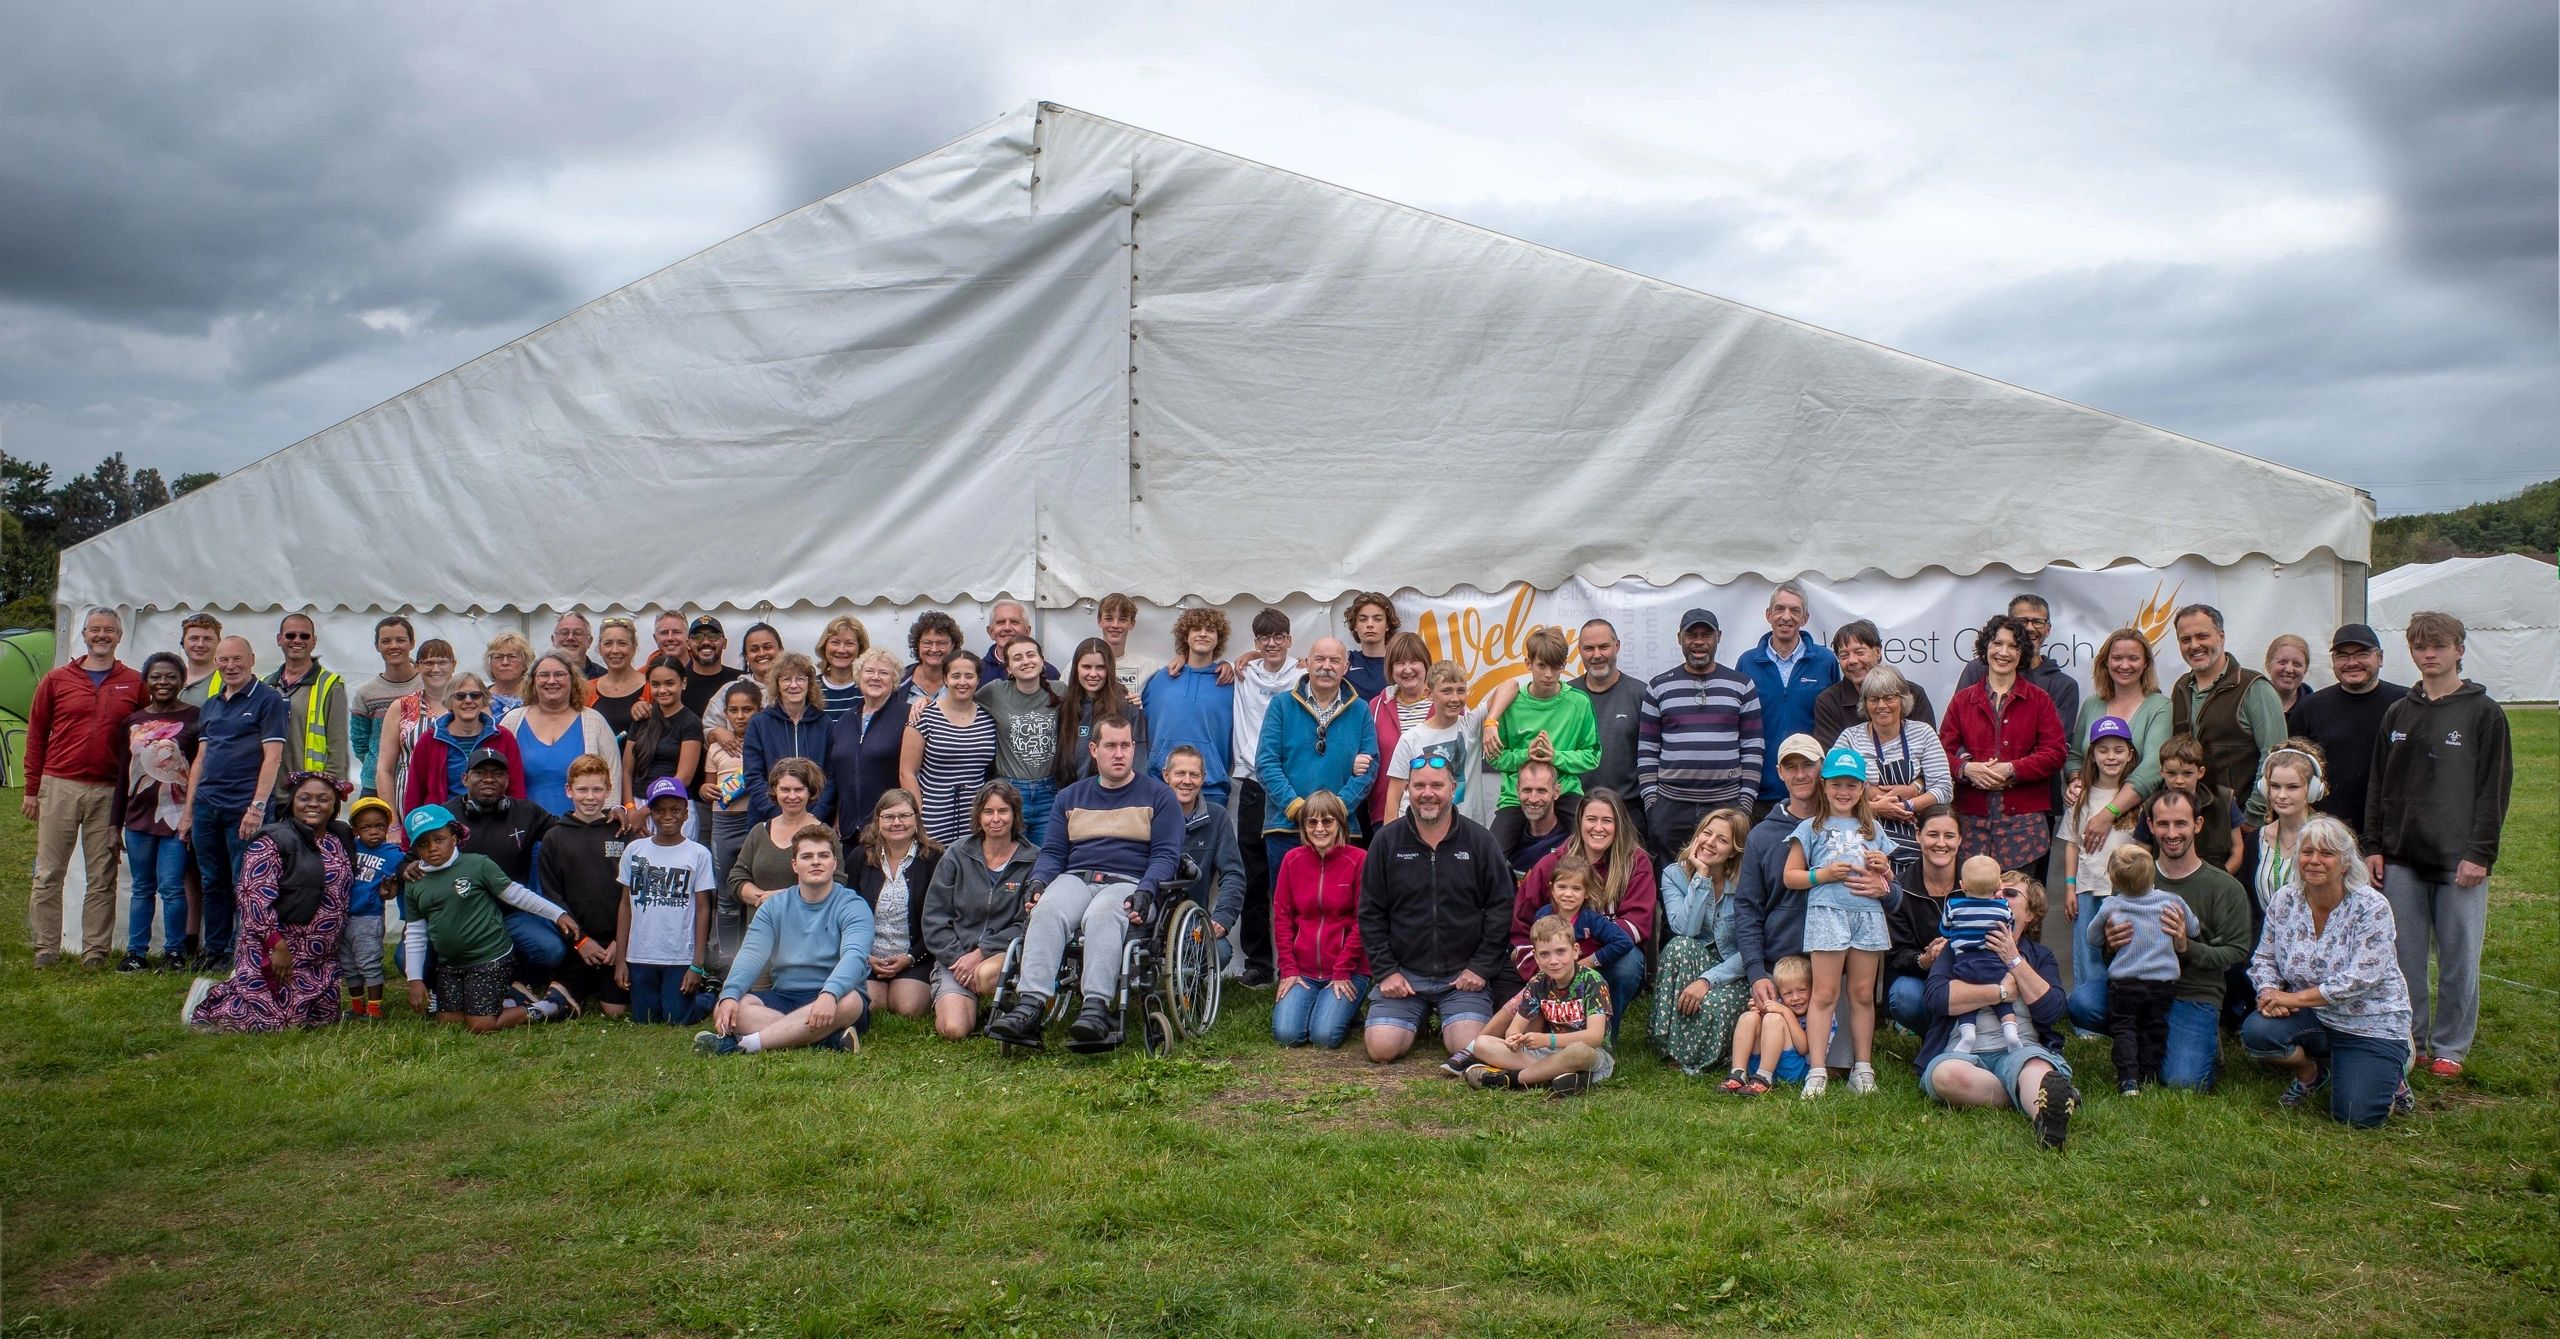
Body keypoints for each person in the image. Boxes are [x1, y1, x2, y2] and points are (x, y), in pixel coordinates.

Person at [2365, 611, 2513, 1080]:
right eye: (2420, 647)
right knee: (2404, 954)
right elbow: (2378, 783)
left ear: (2459, 650)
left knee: (2457, 955)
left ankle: (2450, 1045)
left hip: (2458, 858)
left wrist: (2480, 853)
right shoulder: (2398, 712)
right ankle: (2414, 1037)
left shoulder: (2483, 713)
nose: (2429, 655)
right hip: (2402, 852)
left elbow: (2494, 788)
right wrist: (2374, 845)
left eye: (2439, 646)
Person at [985, 715, 1186, 1048]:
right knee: (1047, 909)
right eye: (1110, 746)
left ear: (1134, 748)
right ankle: (1030, 1006)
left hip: (1129, 881)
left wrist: (1146, 892)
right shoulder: (1069, 797)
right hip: (1076, 877)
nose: (1119, 753)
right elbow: (1051, 853)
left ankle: (1095, 1008)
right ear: (1094, 750)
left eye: (1125, 745)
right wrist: (1038, 882)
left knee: (1103, 914)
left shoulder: (1159, 796)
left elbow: (1165, 856)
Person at [2065, 789, 2252, 1090]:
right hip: (2134, 985)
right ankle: (2145, 1035)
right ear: (2150, 826)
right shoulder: (2132, 876)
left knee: (2183, 1082)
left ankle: (2197, 1039)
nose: (2172, 833)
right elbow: (2107, 953)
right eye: (2163, 824)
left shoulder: (2224, 887)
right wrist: (2112, 943)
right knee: (2082, 1003)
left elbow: (2236, 952)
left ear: (2198, 824)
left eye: (2181, 823)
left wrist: (2185, 946)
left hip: (2193, 991)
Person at [1735, 734, 1894, 1079]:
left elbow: (1892, 892)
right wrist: (1756, 971)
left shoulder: (1866, 828)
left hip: (1845, 962)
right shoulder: (1764, 835)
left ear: (1821, 770)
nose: (1800, 774)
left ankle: (1842, 1066)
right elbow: (1746, 908)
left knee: (1838, 1066)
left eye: (1807, 764)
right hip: (1787, 966)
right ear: (1779, 772)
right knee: (1777, 1051)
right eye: (1791, 766)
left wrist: (1884, 889)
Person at [2242, 817, 2416, 1126]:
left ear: (2345, 863)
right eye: (2307, 852)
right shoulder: (2285, 901)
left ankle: (2394, 1070)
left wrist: (2292, 1000)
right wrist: (2268, 991)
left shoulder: (2372, 907)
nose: (2314, 861)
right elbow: (2264, 957)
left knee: (2357, 1117)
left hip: (2369, 1021)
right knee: (2257, 1032)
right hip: (2315, 1017)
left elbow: (2359, 979)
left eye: (2327, 853)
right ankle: (2312, 1074)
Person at [1356, 762, 1512, 1067]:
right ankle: (1417, 1013)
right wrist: (1386, 971)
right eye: (1419, 786)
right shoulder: (1386, 842)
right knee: (1381, 1049)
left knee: (1466, 1047)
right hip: (1404, 975)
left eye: (1437, 786)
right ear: (1408, 790)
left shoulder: (1480, 841)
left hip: (1461, 977)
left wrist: (1480, 968)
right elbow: (1370, 912)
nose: (1428, 794)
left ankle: (1447, 1017)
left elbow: (1501, 906)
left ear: (1453, 789)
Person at [1917, 871, 2080, 1149]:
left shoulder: (2040, 957)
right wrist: (2001, 992)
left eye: (2010, 894)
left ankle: (2045, 1119)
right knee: (1946, 1077)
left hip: (2020, 1049)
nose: (1998, 896)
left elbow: (2052, 1010)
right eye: (1995, 891)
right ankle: (2029, 1094)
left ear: (2030, 915)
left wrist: (2013, 959)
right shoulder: (1957, 947)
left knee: (2035, 1067)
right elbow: (1936, 998)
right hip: (1963, 1052)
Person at [22, 607, 146, 968]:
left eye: (109, 630)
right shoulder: (57, 679)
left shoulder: (134, 682)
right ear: (85, 635)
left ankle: (95, 951)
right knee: (48, 873)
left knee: (103, 875)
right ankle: (46, 948)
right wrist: (32, 789)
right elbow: (36, 735)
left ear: (120, 636)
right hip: (60, 784)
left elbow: (146, 736)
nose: (102, 635)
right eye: (95, 629)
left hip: (109, 790)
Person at [184, 771, 354, 1031]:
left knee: (322, 1021)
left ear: (334, 806)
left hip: (321, 957)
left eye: (323, 799)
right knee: (269, 1024)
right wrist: (276, 943)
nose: (313, 804)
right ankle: (210, 996)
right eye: (304, 797)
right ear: (292, 802)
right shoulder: (272, 839)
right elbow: (252, 896)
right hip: (277, 946)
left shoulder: (340, 837)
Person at [394, 804, 584, 1031]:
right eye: (424, 844)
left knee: (480, 1025)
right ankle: (513, 996)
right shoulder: (416, 882)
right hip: (450, 964)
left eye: (439, 839)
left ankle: (550, 1006)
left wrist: (557, 913)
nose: (432, 848)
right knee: (448, 1022)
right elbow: (415, 933)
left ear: (454, 837)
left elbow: (517, 895)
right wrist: (415, 980)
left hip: (489, 959)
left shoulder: (478, 864)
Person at [1256, 637, 1379, 972]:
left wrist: (1337, 811)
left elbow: (1370, 766)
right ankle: (1290, 976)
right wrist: (1297, 808)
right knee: (1289, 909)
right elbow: (1266, 763)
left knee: (1342, 909)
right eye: (1320, 659)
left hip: (1344, 829)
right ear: (1306, 663)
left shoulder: (1360, 710)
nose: (1327, 666)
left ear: (1345, 666)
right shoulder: (1281, 705)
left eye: (1335, 660)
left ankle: (1343, 975)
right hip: (1285, 824)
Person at [697, 827, 876, 1055]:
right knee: (737, 1008)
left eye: (823, 856)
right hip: (785, 995)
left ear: (834, 863)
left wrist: (830, 993)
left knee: (851, 1002)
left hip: (836, 995)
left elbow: (855, 956)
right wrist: (729, 994)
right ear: (794, 865)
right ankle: (826, 1039)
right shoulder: (774, 906)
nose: (816, 862)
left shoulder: (853, 905)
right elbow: (752, 953)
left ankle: (744, 1045)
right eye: (807, 856)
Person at [1780, 747, 1895, 1097]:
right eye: (1836, 784)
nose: (1843, 792)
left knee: (1862, 993)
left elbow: (1889, 879)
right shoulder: (1810, 827)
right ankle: (1817, 1069)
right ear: (1824, 786)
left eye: (1851, 785)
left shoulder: (1872, 828)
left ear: (1862, 788)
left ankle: (1863, 1066)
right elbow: (1790, 876)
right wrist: (1824, 874)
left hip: (1867, 915)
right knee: (1825, 993)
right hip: (1827, 913)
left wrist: (1882, 868)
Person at [180, 636, 292, 975]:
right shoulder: (211, 705)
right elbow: (200, 759)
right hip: (206, 806)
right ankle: (214, 948)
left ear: (252, 659)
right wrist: (188, 810)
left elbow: (273, 757)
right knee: (211, 879)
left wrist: (257, 807)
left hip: (244, 807)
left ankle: (242, 949)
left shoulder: (269, 700)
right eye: (223, 660)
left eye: (237, 659)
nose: (230, 666)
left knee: (245, 882)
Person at [1511, 788, 1655, 1038]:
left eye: (1607, 820)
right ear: (1580, 822)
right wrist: (1541, 963)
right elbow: (1523, 922)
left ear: (1618, 824)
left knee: (1627, 965)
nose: (1598, 828)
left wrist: (1586, 959)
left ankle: (1603, 1038)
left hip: (1606, 957)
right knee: (1517, 1005)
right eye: (1591, 819)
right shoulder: (1555, 861)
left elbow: (1636, 925)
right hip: (1556, 957)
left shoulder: (1636, 862)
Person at [1940, 614, 2065, 872]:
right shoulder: (1962, 700)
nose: (2003, 652)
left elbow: (2055, 752)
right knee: (1973, 907)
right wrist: (1967, 769)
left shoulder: (2039, 700)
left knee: (2018, 906)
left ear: (2022, 654)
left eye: (2013, 646)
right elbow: (1943, 750)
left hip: (2024, 830)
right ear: (1986, 648)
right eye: (1997, 643)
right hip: (1970, 826)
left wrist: (2013, 769)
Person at [1638, 607, 1763, 859]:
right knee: (1668, 878)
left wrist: (1745, 803)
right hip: (1670, 807)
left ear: (1719, 637)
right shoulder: (1659, 686)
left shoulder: (1741, 685)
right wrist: (1652, 802)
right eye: (1691, 634)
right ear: (1679, 638)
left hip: (1726, 805)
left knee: (1723, 878)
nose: (1698, 642)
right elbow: (1647, 749)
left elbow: (1753, 747)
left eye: (1706, 635)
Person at [921, 782, 1037, 1040]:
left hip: (1002, 953)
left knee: (985, 975)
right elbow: (934, 917)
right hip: (956, 958)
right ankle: (965, 1000)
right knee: (954, 1029)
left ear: (1015, 814)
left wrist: (983, 952)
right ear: (978, 816)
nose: (996, 819)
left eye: (1003, 811)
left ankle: (1005, 1000)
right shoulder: (956, 854)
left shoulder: (1033, 860)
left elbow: (1028, 922)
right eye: (988, 812)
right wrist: (958, 958)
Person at [1227, 608, 1302, 984]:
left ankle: (1301, 960)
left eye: (1278, 637)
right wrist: (1245, 658)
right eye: (1263, 639)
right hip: (1254, 788)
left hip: (1291, 788)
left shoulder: (1303, 675)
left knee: (1295, 878)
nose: (1271, 644)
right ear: (1254, 643)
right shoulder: (1244, 674)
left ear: (1289, 639)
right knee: (1253, 877)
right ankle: (1258, 963)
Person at [112, 652, 198, 971]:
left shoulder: (195, 718)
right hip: (137, 819)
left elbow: (200, 769)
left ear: (182, 680)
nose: (163, 682)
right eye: (156, 677)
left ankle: (174, 952)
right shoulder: (132, 722)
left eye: (171, 676)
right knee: (142, 887)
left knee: (172, 886)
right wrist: (114, 823)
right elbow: (124, 775)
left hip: (177, 818)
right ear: (146, 681)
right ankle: (136, 952)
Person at [2087, 844, 2197, 1096]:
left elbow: (2093, 938)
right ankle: (2149, 1073)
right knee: (2154, 1027)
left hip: (2124, 984)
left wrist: (2107, 931)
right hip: (2162, 983)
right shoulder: (2171, 901)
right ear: (2152, 874)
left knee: (2123, 1027)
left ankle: (2128, 1079)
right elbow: (2193, 929)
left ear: (2114, 878)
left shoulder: (2111, 906)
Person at [1464, 913, 1613, 1097]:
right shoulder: (1538, 982)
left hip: (1591, 1054)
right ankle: (1558, 1077)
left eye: (1560, 951)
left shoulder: (1593, 981)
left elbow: (1594, 1037)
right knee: (1482, 1044)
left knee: (1578, 1051)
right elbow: (1514, 1028)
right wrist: (1514, 1039)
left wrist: (1547, 1040)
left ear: (1575, 950)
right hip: (1548, 1053)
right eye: (1545, 954)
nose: (1553, 961)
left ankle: (1513, 1079)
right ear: (1535, 957)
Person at [2166, 603, 2289, 827]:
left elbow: (2275, 759)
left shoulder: (2254, 688)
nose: (2194, 645)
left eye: (2202, 636)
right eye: (2185, 639)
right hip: (2192, 823)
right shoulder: (2181, 687)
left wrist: (2251, 819)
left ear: (2221, 637)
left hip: (2241, 825)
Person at [1657, 808, 1754, 1080]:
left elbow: (1750, 947)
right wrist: (1701, 876)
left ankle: (1698, 1057)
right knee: (1679, 946)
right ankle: (1669, 1046)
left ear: (1734, 851)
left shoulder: (1747, 882)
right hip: (1693, 960)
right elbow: (1684, 929)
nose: (1710, 842)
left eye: (1722, 840)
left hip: (1734, 970)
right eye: (1706, 833)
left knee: (1714, 1005)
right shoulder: (1674, 874)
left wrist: (1707, 980)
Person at [1483, 626, 1599, 850]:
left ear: (1564, 665)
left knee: (1593, 847)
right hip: (1516, 796)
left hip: (1564, 792)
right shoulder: (1512, 703)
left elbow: (1592, 755)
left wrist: (1555, 757)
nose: (1548, 674)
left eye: (1556, 667)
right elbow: (1495, 759)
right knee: (1493, 855)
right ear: (1528, 664)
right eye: (1542, 665)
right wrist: (1525, 756)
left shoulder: (1579, 702)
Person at [1269, 790, 1369, 1048]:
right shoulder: (1292, 860)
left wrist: (1342, 971)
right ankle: (1325, 1006)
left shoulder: (1359, 860)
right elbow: (1282, 918)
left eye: (1327, 821)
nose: (1319, 828)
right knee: (1287, 1035)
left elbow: (1363, 921)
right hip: (1304, 971)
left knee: (1324, 1037)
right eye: (1311, 822)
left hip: (1347, 971)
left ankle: (1344, 1008)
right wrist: (1289, 969)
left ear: (1340, 823)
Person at [614, 778, 719, 1024]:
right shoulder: (635, 851)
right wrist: (621, 959)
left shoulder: (698, 854)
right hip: (640, 954)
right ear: (650, 812)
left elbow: (704, 909)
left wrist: (697, 965)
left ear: (686, 813)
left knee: (677, 1019)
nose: (667, 816)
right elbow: (625, 905)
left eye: (675, 810)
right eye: (659, 810)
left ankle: (709, 995)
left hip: (679, 956)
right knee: (646, 1019)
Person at [2062, 628, 2171, 856]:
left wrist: (2108, 813)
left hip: (2136, 823)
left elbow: (2153, 768)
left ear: (2145, 664)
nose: (2124, 665)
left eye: (2133, 658)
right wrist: (2076, 781)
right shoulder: (2092, 704)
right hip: (2089, 819)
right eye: (2117, 658)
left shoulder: (2160, 706)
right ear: (2105, 661)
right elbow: (2075, 757)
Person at [721, 757, 841, 965]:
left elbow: (838, 883)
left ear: (810, 791)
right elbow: (736, 879)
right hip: (760, 942)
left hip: (808, 945)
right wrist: (761, 898)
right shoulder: (759, 832)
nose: (792, 796)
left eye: (799, 789)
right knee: (756, 997)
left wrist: (783, 899)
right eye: (785, 789)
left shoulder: (825, 834)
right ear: (775, 791)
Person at [1830, 665, 1950, 871]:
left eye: (1889, 698)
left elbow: (1944, 789)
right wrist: (1874, 807)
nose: (1881, 705)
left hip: (1916, 838)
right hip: (1864, 839)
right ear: (1865, 704)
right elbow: (1832, 791)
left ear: (1902, 700)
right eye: (1874, 699)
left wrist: (1908, 806)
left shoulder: (1923, 733)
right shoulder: (1850, 738)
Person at [1953, 595, 2081, 787]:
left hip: (2033, 798)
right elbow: (1953, 736)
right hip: (1973, 794)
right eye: (2022, 621)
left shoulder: (2064, 686)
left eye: (2038, 621)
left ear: (2048, 628)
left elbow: (2054, 749)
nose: (2030, 628)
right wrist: (1972, 769)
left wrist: (2011, 771)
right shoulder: (1977, 670)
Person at [2287, 622, 2407, 826]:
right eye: (2342, 655)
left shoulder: (2405, 704)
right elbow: (2293, 772)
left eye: (2362, 654)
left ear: (2381, 658)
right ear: (2333, 661)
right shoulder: (2310, 708)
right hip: (2326, 832)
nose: (2352, 662)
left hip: (2392, 832)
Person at [536, 757, 630, 1017]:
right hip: (578, 941)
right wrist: (580, 942)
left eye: (597, 790)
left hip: (617, 941)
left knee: (615, 1011)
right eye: (582, 790)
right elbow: (552, 897)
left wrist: (619, 943)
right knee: (557, 1003)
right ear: (569, 790)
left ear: (608, 790)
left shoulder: (620, 831)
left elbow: (633, 892)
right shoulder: (554, 837)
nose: (590, 797)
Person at [2060, 716, 2144, 1000]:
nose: (2111, 756)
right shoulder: (2080, 795)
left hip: (2126, 892)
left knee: (2125, 948)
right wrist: (2070, 886)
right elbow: (2072, 844)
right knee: (2089, 951)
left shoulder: (2135, 797)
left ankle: (2120, 1008)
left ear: (2130, 754)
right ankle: (2088, 1016)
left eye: (2118, 750)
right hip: (2088, 887)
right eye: (2103, 749)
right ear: (2092, 755)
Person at [1738, 583, 1841, 811]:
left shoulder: (1825, 661)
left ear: (1805, 618)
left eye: (1795, 611)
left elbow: (1836, 721)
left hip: (1812, 789)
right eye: (1779, 609)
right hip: (1760, 789)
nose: (1786, 617)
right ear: (1768, 615)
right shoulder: (1747, 662)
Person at [850, 788, 942, 1021]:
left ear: (916, 819)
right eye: (889, 817)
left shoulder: (935, 858)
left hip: (916, 955)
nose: (897, 823)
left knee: (908, 1008)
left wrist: (911, 957)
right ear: (878, 821)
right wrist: (864, 956)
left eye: (904, 816)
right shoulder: (860, 857)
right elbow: (845, 911)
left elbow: (940, 918)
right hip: (869, 957)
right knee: (871, 1005)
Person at [502, 652, 621, 817]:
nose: (551, 681)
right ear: (532, 681)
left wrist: (610, 812)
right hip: (526, 831)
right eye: (544, 675)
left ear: (572, 680)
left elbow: (612, 773)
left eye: (559, 674)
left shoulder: (594, 721)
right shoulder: (512, 721)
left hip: (582, 830)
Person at [901, 649, 997, 847]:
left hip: (977, 818)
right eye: (955, 676)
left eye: (969, 676)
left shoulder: (989, 717)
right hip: (933, 818)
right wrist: (918, 817)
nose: (962, 682)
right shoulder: (924, 716)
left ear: (978, 680)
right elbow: (907, 773)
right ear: (945, 679)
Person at [818, 646, 914, 843]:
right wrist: (838, 813)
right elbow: (837, 774)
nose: (875, 677)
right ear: (858, 676)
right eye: (869, 671)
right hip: (848, 830)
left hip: (890, 828)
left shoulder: (908, 715)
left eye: (884, 673)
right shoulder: (845, 721)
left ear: (894, 680)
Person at [1143, 609, 1237, 807]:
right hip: (1161, 786)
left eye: (1210, 630)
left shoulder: (1231, 683)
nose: (1203, 633)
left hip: (1212, 788)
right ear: (1185, 636)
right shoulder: (1160, 679)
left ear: (1218, 638)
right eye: (1196, 629)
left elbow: (1264, 667)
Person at [399, 673, 523, 816]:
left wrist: (517, 825)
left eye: (475, 695)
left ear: (484, 700)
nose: (468, 700)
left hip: (494, 822)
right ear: (449, 701)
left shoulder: (503, 737)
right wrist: (410, 834)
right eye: (460, 696)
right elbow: (415, 792)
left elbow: (516, 787)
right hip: (442, 826)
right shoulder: (429, 739)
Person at [1883, 811, 1962, 1034]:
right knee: (1903, 994)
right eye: (1933, 834)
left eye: (1949, 836)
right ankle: (1938, 1037)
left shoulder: (1977, 883)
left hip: (1971, 976)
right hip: (1924, 980)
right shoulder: (1900, 889)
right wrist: (1925, 959)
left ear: (1960, 840)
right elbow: (1896, 954)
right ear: (1918, 835)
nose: (1941, 843)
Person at [980, 636, 1064, 845]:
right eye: (1017, 658)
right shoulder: (995, 691)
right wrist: (925, 702)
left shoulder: (1060, 690)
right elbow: (959, 701)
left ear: (1042, 661)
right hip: (1009, 792)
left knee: (1045, 857)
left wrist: (1128, 697)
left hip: (1049, 793)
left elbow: (1094, 699)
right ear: (1008, 668)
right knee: (1011, 860)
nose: (1025, 661)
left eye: (1031, 655)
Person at [1568, 619, 1649, 835]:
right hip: (1577, 810)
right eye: (1588, 648)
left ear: (1617, 646)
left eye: (1603, 646)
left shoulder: (1642, 694)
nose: (1596, 655)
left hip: (1628, 813)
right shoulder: (1566, 696)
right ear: (1579, 651)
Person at [1940, 856, 2027, 1052]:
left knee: (1969, 1001)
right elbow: (2009, 930)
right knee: (2002, 1002)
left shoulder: (1953, 905)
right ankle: (2011, 1032)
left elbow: (1945, 929)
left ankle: (1968, 1033)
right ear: (1998, 886)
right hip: (1993, 962)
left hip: (1964, 964)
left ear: (1962, 885)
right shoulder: (2003, 908)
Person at [1164, 746, 1246, 951]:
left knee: (1221, 951)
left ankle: (1192, 979)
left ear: (1204, 778)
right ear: (1166, 776)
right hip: (1152, 915)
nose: (1187, 781)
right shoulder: (1150, 814)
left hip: (1192, 919)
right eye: (1180, 773)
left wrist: (1222, 918)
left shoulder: (1217, 817)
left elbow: (1233, 874)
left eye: (1194, 774)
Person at [1379, 660, 1482, 819]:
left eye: (1461, 691)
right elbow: (1393, 799)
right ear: (1429, 694)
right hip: (1416, 830)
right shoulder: (1411, 739)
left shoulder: (1472, 726)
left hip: (1466, 829)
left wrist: (1490, 723)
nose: (1455, 698)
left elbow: (1511, 686)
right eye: (1446, 691)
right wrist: (1390, 841)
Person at [264, 613, 350, 801]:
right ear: (279, 639)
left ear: (314, 641)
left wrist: (328, 791)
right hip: (269, 792)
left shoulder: (330, 684)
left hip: (309, 796)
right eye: (290, 635)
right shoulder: (265, 685)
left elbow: (338, 744)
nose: (297, 640)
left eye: (304, 636)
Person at [1811, 619, 1936, 746]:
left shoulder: (1912, 693)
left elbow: (1928, 746)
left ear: (1877, 652)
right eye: (1844, 656)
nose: (1852, 661)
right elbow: (1832, 758)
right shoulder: (1828, 702)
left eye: (1860, 652)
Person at [2138, 735, 2243, 876]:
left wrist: (2221, 882)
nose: (2179, 781)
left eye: (2187, 773)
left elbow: (2237, 849)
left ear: (2200, 772)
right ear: (2161, 771)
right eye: (2171, 773)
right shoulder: (2151, 805)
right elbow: (2142, 853)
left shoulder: (2225, 800)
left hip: (2216, 882)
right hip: (2166, 887)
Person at [372, 638, 456, 808]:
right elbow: (384, 770)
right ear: (417, 666)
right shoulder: (401, 707)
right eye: (429, 663)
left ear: (454, 665)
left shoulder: (467, 705)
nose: (436, 668)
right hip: (411, 805)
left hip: (457, 803)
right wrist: (392, 824)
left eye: (442, 662)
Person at [1362, 631, 1432, 833]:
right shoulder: (1375, 707)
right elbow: (1364, 752)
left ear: (1426, 664)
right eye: (1400, 663)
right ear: (1390, 668)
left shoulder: (1445, 704)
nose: (1408, 669)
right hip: (1386, 812)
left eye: (1415, 661)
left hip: (1437, 811)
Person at [340, 795, 401, 1016]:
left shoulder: (393, 854)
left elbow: (402, 878)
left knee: (368, 962)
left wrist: (389, 891)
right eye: (366, 827)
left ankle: (374, 1009)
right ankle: (357, 1006)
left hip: (369, 916)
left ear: (387, 827)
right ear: (355, 830)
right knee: (348, 963)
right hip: (343, 916)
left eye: (379, 826)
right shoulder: (349, 848)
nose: (373, 831)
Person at [1054, 639, 1148, 783]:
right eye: (1086, 667)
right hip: (1073, 800)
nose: (1093, 673)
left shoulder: (1128, 706)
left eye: (1100, 667)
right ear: (1075, 668)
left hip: (1116, 799)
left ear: (1109, 669)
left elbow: (1139, 763)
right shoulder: (1065, 707)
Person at [622, 657, 702, 825]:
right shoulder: (642, 717)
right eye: (656, 684)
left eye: (670, 683)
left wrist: (646, 811)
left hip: (672, 808)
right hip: (637, 805)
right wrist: (630, 809)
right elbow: (627, 770)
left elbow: (683, 778)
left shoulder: (690, 722)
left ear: (683, 683)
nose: (662, 690)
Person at [350, 615, 421, 796]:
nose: (393, 646)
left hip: (419, 781)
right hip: (375, 785)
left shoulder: (428, 687)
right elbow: (360, 742)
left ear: (412, 643)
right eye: (386, 641)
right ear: (377, 646)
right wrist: (376, 763)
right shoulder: (366, 693)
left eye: (400, 640)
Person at [701, 681, 762, 890]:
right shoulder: (716, 748)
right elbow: (708, 788)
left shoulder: (766, 744)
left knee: (756, 884)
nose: (740, 716)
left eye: (747, 710)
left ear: (759, 710)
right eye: (733, 710)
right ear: (725, 713)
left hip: (754, 819)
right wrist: (704, 790)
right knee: (725, 888)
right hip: (723, 823)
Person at [1727, 954, 1814, 1094]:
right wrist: (1760, 1010)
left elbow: (1804, 1048)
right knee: (1749, 1017)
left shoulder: (1814, 1012)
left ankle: (1764, 1078)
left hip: (1792, 1071)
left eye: (1802, 990)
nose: (1796, 998)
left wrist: (1786, 1013)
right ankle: (1738, 1074)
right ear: (1780, 994)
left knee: (1774, 1019)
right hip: (1758, 1067)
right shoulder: (1778, 1005)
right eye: (1788, 993)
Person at [1504, 761, 1571, 876]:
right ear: (1517, 790)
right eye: (1527, 790)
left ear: (1556, 792)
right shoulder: (1508, 842)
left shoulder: (1570, 840)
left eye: (1541, 791)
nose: (1533, 799)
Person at [587, 618, 647, 744]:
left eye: (622, 643)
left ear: (634, 647)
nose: (615, 650)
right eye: (608, 643)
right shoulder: (587, 690)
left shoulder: (650, 687)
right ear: (600, 648)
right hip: (599, 763)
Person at [979, 599, 1057, 683]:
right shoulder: (977, 671)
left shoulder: (1049, 672)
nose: (1007, 628)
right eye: (1000, 622)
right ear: (991, 632)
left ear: (1027, 631)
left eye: (1014, 622)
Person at [814, 615, 873, 724]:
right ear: (824, 646)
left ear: (860, 648)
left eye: (849, 643)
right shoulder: (811, 687)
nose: (841, 650)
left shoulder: (869, 688)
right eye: (835, 642)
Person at [1341, 591, 1400, 701]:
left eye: (1377, 619)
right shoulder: (1347, 661)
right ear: (1355, 625)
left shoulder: (1400, 663)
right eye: (1363, 619)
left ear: (1387, 625)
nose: (1370, 625)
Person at [1096, 593, 1154, 702]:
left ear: (1132, 623)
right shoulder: (1078, 666)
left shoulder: (1148, 667)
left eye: (1122, 620)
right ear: (1099, 621)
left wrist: (1182, 656)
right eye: (1109, 618)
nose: (1115, 625)